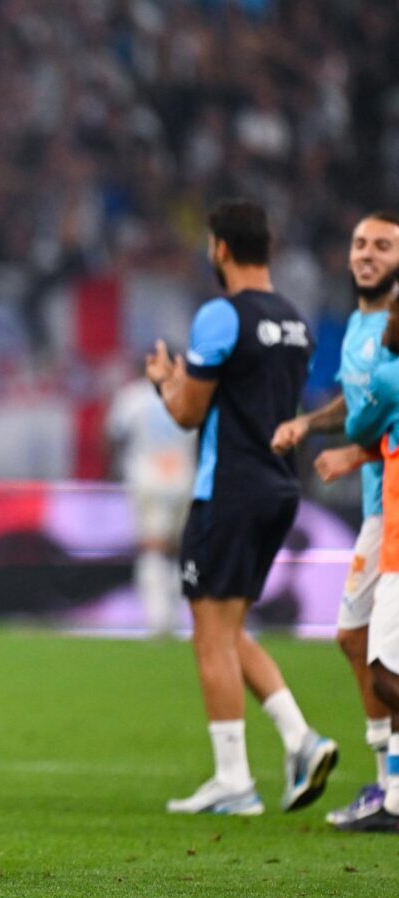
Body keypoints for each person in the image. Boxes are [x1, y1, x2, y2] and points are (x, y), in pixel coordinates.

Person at [146, 199, 336, 817]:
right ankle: (301, 739)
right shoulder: (297, 323)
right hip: (280, 488)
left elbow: (187, 413)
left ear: (221, 248)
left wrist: (165, 381)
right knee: (227, 630)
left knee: (210, 634)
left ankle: (233, 780)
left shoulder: (221, 315)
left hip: (227, 487)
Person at [270, 210, 399, 827]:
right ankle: (387, 780)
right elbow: (361, 401)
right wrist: (310, 424)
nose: (367, 254)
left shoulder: (396, 329)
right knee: (355, 641)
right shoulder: (360, 325)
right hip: (381, 504)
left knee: (382, 658)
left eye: (383, 246)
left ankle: (393, 785)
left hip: (388, 506)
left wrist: (354, 451)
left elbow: (380, 409)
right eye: (360, 244)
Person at [325, 296, 399, 832]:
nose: (386, 325)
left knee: (385, 673)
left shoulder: (390, 377)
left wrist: (354, 450)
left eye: (394, 318)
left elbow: (359, 425)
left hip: (394, 541)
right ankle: (393, 791)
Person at [106, 373, 196, 637]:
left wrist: (113, 472)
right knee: (181, 549)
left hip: (148, 478)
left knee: (152, 548)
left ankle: (159, 618)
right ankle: (183, 615)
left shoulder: (133, 396)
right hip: (184, 477)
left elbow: (114, 435)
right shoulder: (190, 393)